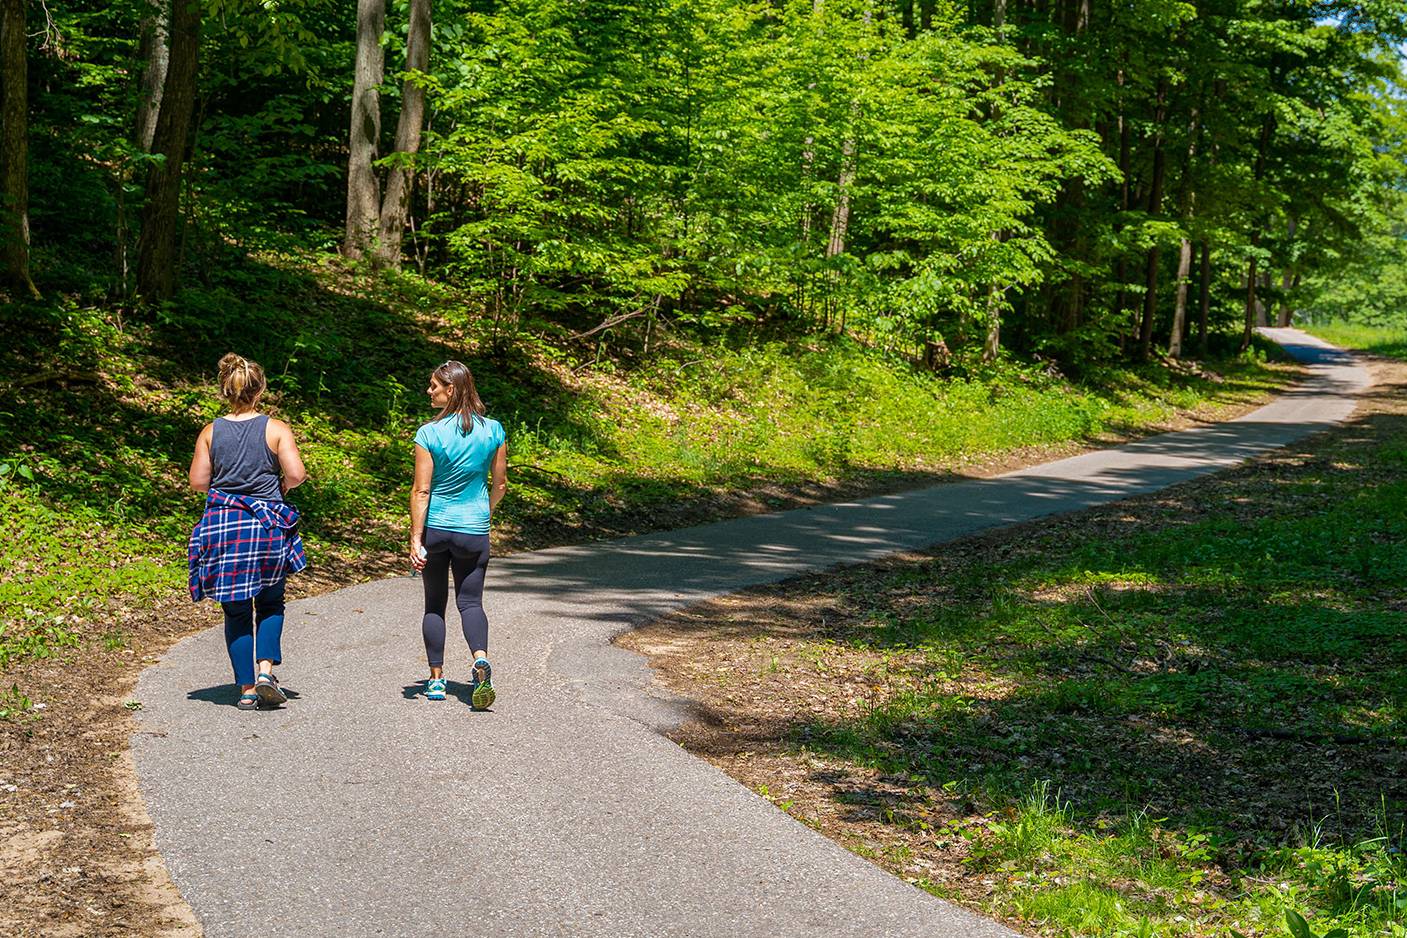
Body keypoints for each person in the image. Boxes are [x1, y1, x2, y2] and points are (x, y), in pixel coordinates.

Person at [188, 353, 308, 711]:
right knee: (271, 602)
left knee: (236, 610)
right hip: (267, 525)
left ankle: (245, 689)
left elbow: (198, 482)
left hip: (226, 528)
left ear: (226, 390)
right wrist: (280, 487)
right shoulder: (276, 429)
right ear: (260, 391)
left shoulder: (211, 432)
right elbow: (297, 474)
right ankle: (266, 672)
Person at [409, 360, 508, 709]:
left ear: (451, 389)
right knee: (471, 602)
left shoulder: (429, 434)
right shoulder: (493, 430)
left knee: (435, 604)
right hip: (474, 530)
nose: (429, 391)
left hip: (437, 527)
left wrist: (415, 538)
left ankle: (436, 681)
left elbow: (421, 491)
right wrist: (484, 512)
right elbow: (500, 484)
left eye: (434, 386)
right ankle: (480, 658)